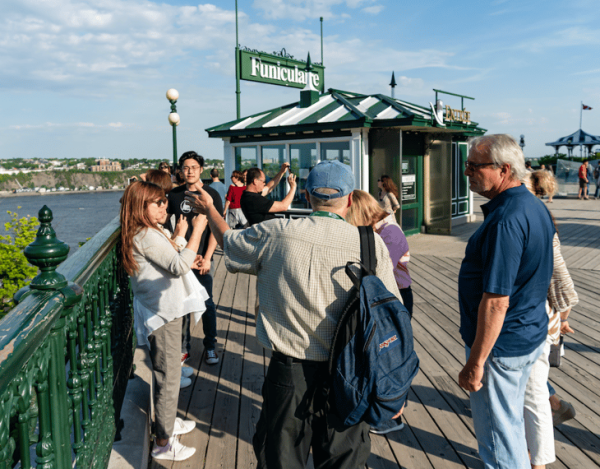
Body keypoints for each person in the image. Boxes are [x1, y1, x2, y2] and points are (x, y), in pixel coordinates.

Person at [186, 160, 403, 469]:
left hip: (290, 374)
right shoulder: (371, 245)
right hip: (352, 372)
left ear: (306, 195)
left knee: (281, 459)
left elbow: (230, 244)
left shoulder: (276, 233)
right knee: (345, 460)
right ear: (351, 198)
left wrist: (209, 210)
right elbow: (391, 316)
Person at [458, 134, 555, 469]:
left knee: (499, 441)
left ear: (504, 169)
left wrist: (475, 362)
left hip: (502, 346)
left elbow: (497, 301)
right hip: (528, 334)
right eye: (466, 165)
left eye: (474, 166)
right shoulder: (533, 206)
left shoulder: (506, 220)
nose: (467, 172)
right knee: (511, 425)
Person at [120, 181, 208, 461]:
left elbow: (169, 258)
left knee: (167, 373)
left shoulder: (146, 232)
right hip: (163, 313)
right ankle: (163, 442)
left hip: (164, 309)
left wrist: (180, 236)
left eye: (163, 201)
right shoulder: (145, 234)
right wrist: (197, 231)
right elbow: (178, 265)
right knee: (169, 377)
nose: (164, 206)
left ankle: (167, 424)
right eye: (156, 202)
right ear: (140, 206)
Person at [523, 170, 579, 469]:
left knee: (531, 393)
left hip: (536, 319)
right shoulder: (543, 216)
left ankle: (538, 461)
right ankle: (556, 404)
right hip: (546, 318)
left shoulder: (533, 219)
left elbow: (563, 284)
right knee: (534, 385)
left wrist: (560, 317)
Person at [346, 189, 413, 436]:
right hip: (383, 297)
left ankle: (392, 414)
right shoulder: (379, 229)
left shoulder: (390, 233)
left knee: (390, 355)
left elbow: (374, 270)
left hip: (395, 298)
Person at [168, 151, 223, 366]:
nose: (189, 171)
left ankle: (210, 346)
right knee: (181, 306)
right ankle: (184, 348)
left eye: (194, 167)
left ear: (201, 169)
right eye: (185, 167)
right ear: (181, 170)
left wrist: (208, 257)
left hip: (201, 259)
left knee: (207, 303)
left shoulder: (210, 195)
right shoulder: (174, 196)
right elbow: (169, 229)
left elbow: (215, 229)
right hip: (181, 260)